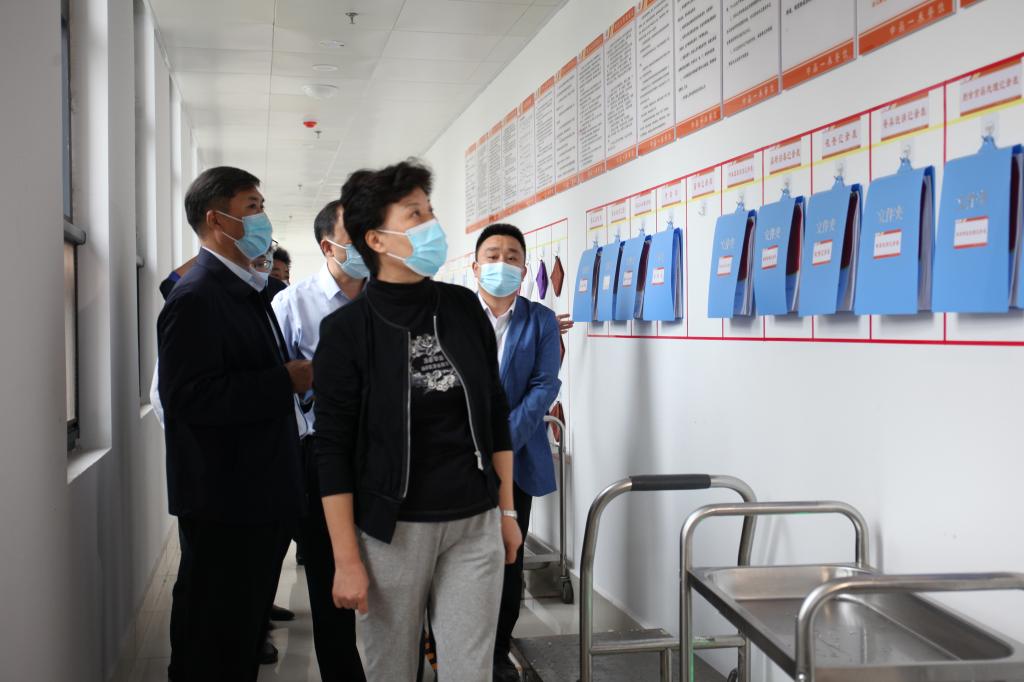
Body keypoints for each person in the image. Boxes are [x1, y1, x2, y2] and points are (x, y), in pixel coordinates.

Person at [314, 160, 522, 682]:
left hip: (474, 522)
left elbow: (494, 412)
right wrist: (346, 559)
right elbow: (331, 449)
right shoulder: (346, 331)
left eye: (430, 211)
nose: (432, 224)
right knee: (390, 670)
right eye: (415, 214)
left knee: (470, 672)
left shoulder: (463, 308)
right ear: (376, 240)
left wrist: (507, 510)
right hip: (393, 532)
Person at [157, 166, 310, 681]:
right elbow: (188, 398)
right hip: (225, 500)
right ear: (217, 220)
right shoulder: (198, 296)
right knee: (211, 639)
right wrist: (283, 380)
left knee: (239, 634)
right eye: (252, 207)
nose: (263, 218)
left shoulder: (245, 289)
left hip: (255, 494)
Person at [271, 198, 368, 681]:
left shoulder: (394, 298)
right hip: (322, 460)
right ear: (329, 247)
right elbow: (277, 386)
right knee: (332, 581)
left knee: (396, 581)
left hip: (389, 460)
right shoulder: (291, 304)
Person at [472, 223, 562, 681]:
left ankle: (497, 650)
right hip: (458, 458)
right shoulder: (454, 316)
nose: (501, 264)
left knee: (509, 556)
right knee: (462, 558)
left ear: (524, 270)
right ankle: (454, 644)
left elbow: (544, 386)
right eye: (492, 256)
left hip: (518, 458)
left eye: (512, 257)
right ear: (475, 267)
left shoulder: (539, 320)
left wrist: (500, 441)